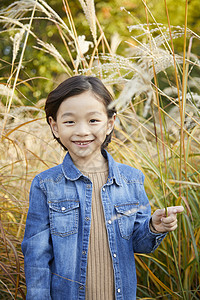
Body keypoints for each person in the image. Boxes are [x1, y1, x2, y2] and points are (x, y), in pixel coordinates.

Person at [22, 75, 184, 300]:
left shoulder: (131, 180)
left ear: (110, 123)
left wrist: (154, 227)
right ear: (55, 126)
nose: (81, 131)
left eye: (93, 121)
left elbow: (140, 243)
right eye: (70, 122)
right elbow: (36, 257)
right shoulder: (46, 185)